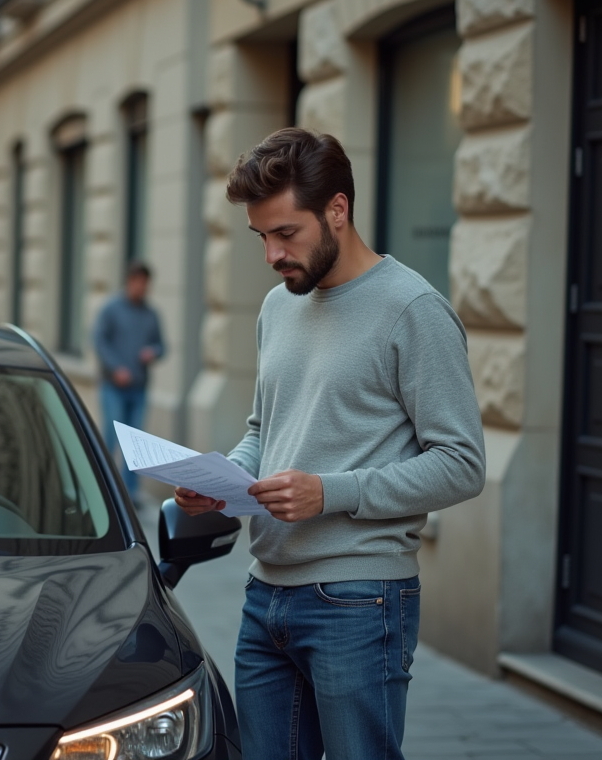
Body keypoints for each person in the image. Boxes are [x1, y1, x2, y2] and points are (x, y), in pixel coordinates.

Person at [174, 127, 485, 760]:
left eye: (286, 234)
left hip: (360, 599)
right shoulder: (277, 307)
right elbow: (267, 431)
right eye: (262, 236)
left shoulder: (412, 310)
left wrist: (330, 493)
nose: (272, 255)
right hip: (265, 595)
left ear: (337, 211)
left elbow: (463, 465)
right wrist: (223, 482)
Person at [93, 259, 165, 504]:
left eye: (146, 283)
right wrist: (116, 369)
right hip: (114, 387)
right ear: (129, 281)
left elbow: (161, 345)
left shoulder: (150, 314)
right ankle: (104, 490)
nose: (142, 288)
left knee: (135, 444)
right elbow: (99, 341)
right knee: (112, 438)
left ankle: (128, 494)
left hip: (139, 388)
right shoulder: (111, 309)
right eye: (138, 282)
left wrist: (152, 352)